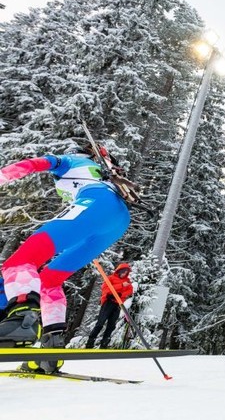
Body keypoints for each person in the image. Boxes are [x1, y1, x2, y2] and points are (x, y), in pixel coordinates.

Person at [0, 141, 131, 372]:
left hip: (95, 204)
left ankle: (21, 319)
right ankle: (51, 348)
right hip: (117, 219)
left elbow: (34, 164)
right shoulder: (101, 170)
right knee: (49, 280)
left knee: (20, 261)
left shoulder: (70, 161)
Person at [85, 262, 133, 349]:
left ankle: (104, 343)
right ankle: (90, 342)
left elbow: (129, 291)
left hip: (117, 304)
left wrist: (120, 295)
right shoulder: (111, 278)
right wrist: (120, 286)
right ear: (119, 271)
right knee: (100, 323)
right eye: (123, 272)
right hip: (108, 303)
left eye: (126, 273)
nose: (124, 274)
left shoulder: (127, 282)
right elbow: (106, 289)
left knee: (111, 325)